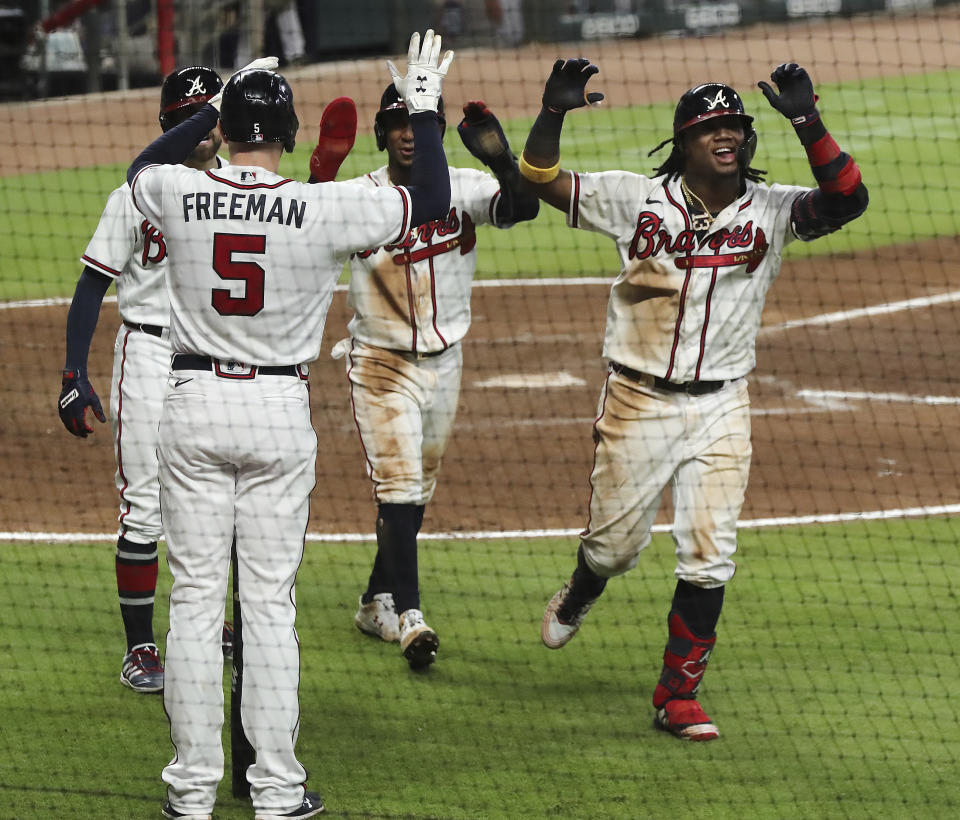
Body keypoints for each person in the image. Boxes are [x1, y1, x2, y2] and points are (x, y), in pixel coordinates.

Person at [125, 31, 453, 819]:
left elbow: (140, 168)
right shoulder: (323, 205)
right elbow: (433, 201)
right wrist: (424, 108)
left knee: (197, 602)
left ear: (224, 133)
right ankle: (275, 790)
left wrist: (210, 101)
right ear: (292, 136)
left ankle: (191, 792)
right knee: (269, 607)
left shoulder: (176, 187)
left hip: (192, 405)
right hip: (276, 413)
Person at [520, 60, 868, 740]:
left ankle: (677, 695)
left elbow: (848, 201)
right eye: (711, 128)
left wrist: (808, 120)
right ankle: (583, 587)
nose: (727, 136)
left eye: (735, 126)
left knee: (710, 553)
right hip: (637, 401)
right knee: (615, 550)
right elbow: (537, 179)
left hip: (722, 406)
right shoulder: (635, 199)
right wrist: (553, 113)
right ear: (683, 141)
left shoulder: (773, 211)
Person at [314, 85, 539, 669]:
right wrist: (321, 173)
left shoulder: (463, 187)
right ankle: (412, 617)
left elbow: (522, 209)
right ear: (383, 133)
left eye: (420, 121)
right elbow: (304, 235)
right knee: (399, 487)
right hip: (380, 362)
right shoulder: (360, 198)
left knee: (416, 497)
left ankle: (374, 602)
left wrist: (500, 160)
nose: (410, 133)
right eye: (398, 122)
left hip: (447, 362)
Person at [57, 65, 233, 694]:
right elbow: (90, 287)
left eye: (205, 116)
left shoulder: (237, 190)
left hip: (214, 357)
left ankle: (203, 622)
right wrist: (75, 372)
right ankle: (140, 649)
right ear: (171, 125)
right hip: (150, 355)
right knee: (144, 506)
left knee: (213, 499)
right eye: (188, 117)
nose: (201, 131)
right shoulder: (134, 192)